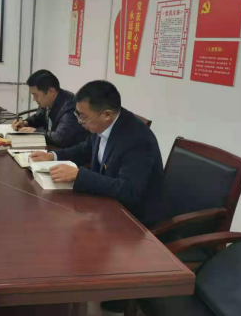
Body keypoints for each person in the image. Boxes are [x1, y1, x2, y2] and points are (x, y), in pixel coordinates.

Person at [29, 80, 164, 226]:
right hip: (105, 203)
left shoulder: (137, 139)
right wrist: (53, 156)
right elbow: (85, 149)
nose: (79, 121)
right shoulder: (104, 123)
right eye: (77, 114)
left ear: (106, 115)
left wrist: (79, 175)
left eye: (83, 116)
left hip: (133, 219)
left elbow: (128, 190)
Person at [12, 70, 89, 148]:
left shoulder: (70, 106)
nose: (34, 99)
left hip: (70, 152)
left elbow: (59, 138)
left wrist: (36, 132)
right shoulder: (48, 101)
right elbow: (39, 118)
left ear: (51, 91)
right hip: (53, 147)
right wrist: (26, 123)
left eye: (36, 95)